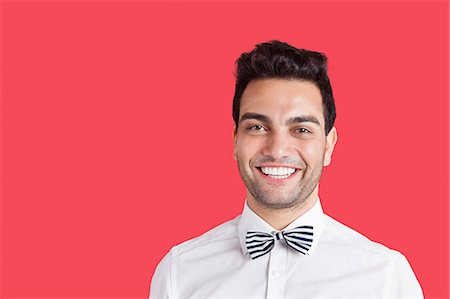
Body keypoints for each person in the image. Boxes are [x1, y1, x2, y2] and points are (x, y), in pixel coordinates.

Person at [149, 40, 423, 298]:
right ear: (235, 140)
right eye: (257, 127)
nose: (277, 149)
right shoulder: (179, 272)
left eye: (301, 129)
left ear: (328, 145)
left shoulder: (386, 278)